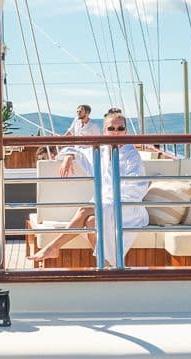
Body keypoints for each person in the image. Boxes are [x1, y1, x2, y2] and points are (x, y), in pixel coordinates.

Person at [32, 106, 150, 265]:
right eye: (111, 128)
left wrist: (110, 202)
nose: (116, 132)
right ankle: (108, 266)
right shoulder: (99, 150)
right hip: (106, 204)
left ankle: (53, 247)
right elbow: (77, 149)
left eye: (120, 128)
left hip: (127, 207)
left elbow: (137, 188)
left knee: (84, 210)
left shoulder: (132, 155)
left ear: (126, 131)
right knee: (90, 222)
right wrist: (69, 155)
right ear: (104, 130)